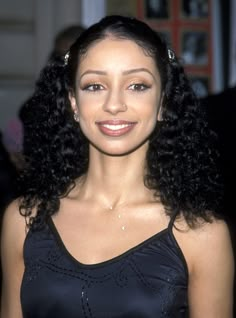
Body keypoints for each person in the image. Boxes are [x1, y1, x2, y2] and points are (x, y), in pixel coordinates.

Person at [0, 15, 234, 317]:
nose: (114, 104)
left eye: (137, 85)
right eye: (95, 86)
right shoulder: (24, 221)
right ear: (73, 101)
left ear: (163, 101)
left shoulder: (202, 235)